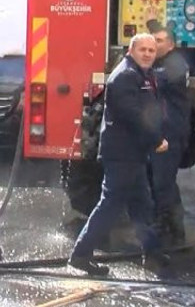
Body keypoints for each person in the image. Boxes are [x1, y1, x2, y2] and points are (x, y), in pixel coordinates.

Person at [67, 33, 167, 277]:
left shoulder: (141, 74)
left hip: (133, 153)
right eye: (142, 49)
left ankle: (151, 252)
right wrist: (156, 140)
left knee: (141, 203)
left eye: (151, 51)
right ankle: (80, 255)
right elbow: (133, 116)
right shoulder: (124, 76)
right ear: (131, 51)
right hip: (122, 154)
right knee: (110, 205)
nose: (147, 54)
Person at [150, 27, 191, 246]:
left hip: (171, 133)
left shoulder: (175, 65)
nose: (155, 45)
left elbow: (154, 81)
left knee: (162, 182)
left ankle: (166, 229)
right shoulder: (163, 63)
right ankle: (174, 231)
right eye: (152, 40)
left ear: (171, 45)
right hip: (161, 131)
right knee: (162, 181)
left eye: (160, 41)